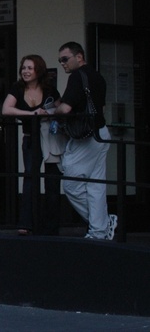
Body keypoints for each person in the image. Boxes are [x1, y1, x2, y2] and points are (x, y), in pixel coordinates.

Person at [54, 41, 115, 240]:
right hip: (101, 132)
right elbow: (101, 107)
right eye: (60, 60)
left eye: (65, 59)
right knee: (96, 186)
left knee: (71, 185)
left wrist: (53, 111)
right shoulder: (98, 77)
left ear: (79, 57)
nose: (62, 63)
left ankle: (102, 224)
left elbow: (65, 108)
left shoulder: (76, 77)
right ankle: (99, 231)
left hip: (86, 136)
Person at [1, 55, 62, 236]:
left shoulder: (50, 89)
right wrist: (32, 114)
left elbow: (61, 110)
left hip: (49, 138)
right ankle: (26, 223)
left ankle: (51, 226)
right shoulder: (17, 88)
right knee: (30, 179)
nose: (25, 71)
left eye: (30, 68)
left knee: (52, 180)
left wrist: (50, 113)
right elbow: (6, 109)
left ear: (39, 70)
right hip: (31, 138)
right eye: (23, 68)